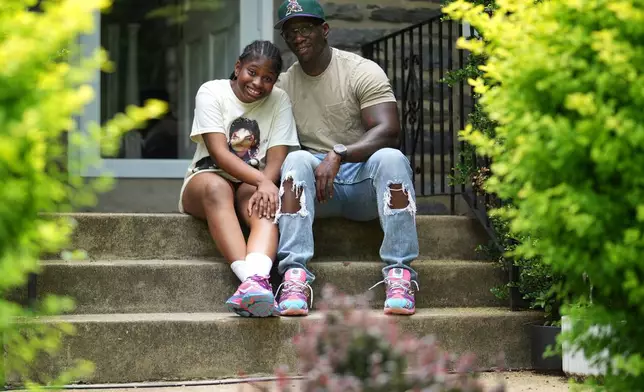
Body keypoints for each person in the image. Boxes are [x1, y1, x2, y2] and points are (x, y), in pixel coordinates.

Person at [272, 0, 420, 317]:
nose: (298, 37)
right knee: (296, 162)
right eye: (291, 31)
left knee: (392, 158)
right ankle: (294, 276)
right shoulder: (284, 85)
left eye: (306, 28)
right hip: (319, 190)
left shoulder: (360, 71)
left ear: (324, 30)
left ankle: (399, 275)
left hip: (364, 184)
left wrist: (340, 152)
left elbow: (389, 129)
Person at [178, 40, 300, 318]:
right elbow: (219, 154)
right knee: (217, 187)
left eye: (268, 78)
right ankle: (251, 281)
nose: (258, 82)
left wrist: (264, 185)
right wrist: (265, 182)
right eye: (252, 72)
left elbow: (278, 156)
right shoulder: (212, 91)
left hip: (252, 181)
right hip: (206, 178)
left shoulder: (279, 100)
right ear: (238, 67)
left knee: (265, 203)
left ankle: (257, 284)